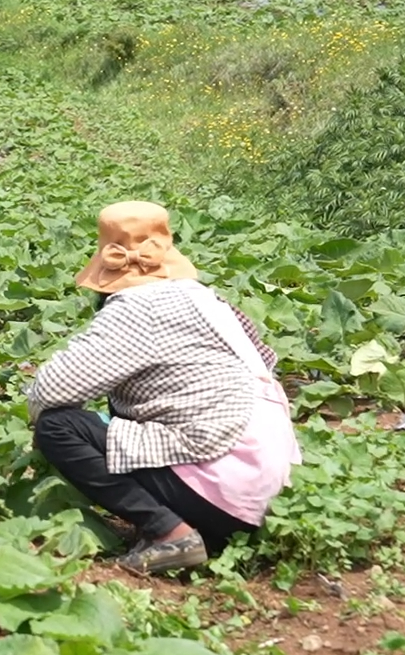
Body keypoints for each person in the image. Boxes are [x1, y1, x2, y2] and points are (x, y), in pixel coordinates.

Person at [26, 201, 302, 576]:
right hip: (265, 485)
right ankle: (199, 528)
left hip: (221, 487)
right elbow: (265, 360)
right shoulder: (207, 299)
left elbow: (52, 389)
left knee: (58, 426)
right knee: (124, 414)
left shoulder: (137, 307)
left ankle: (170, 533)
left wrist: (38, 429)